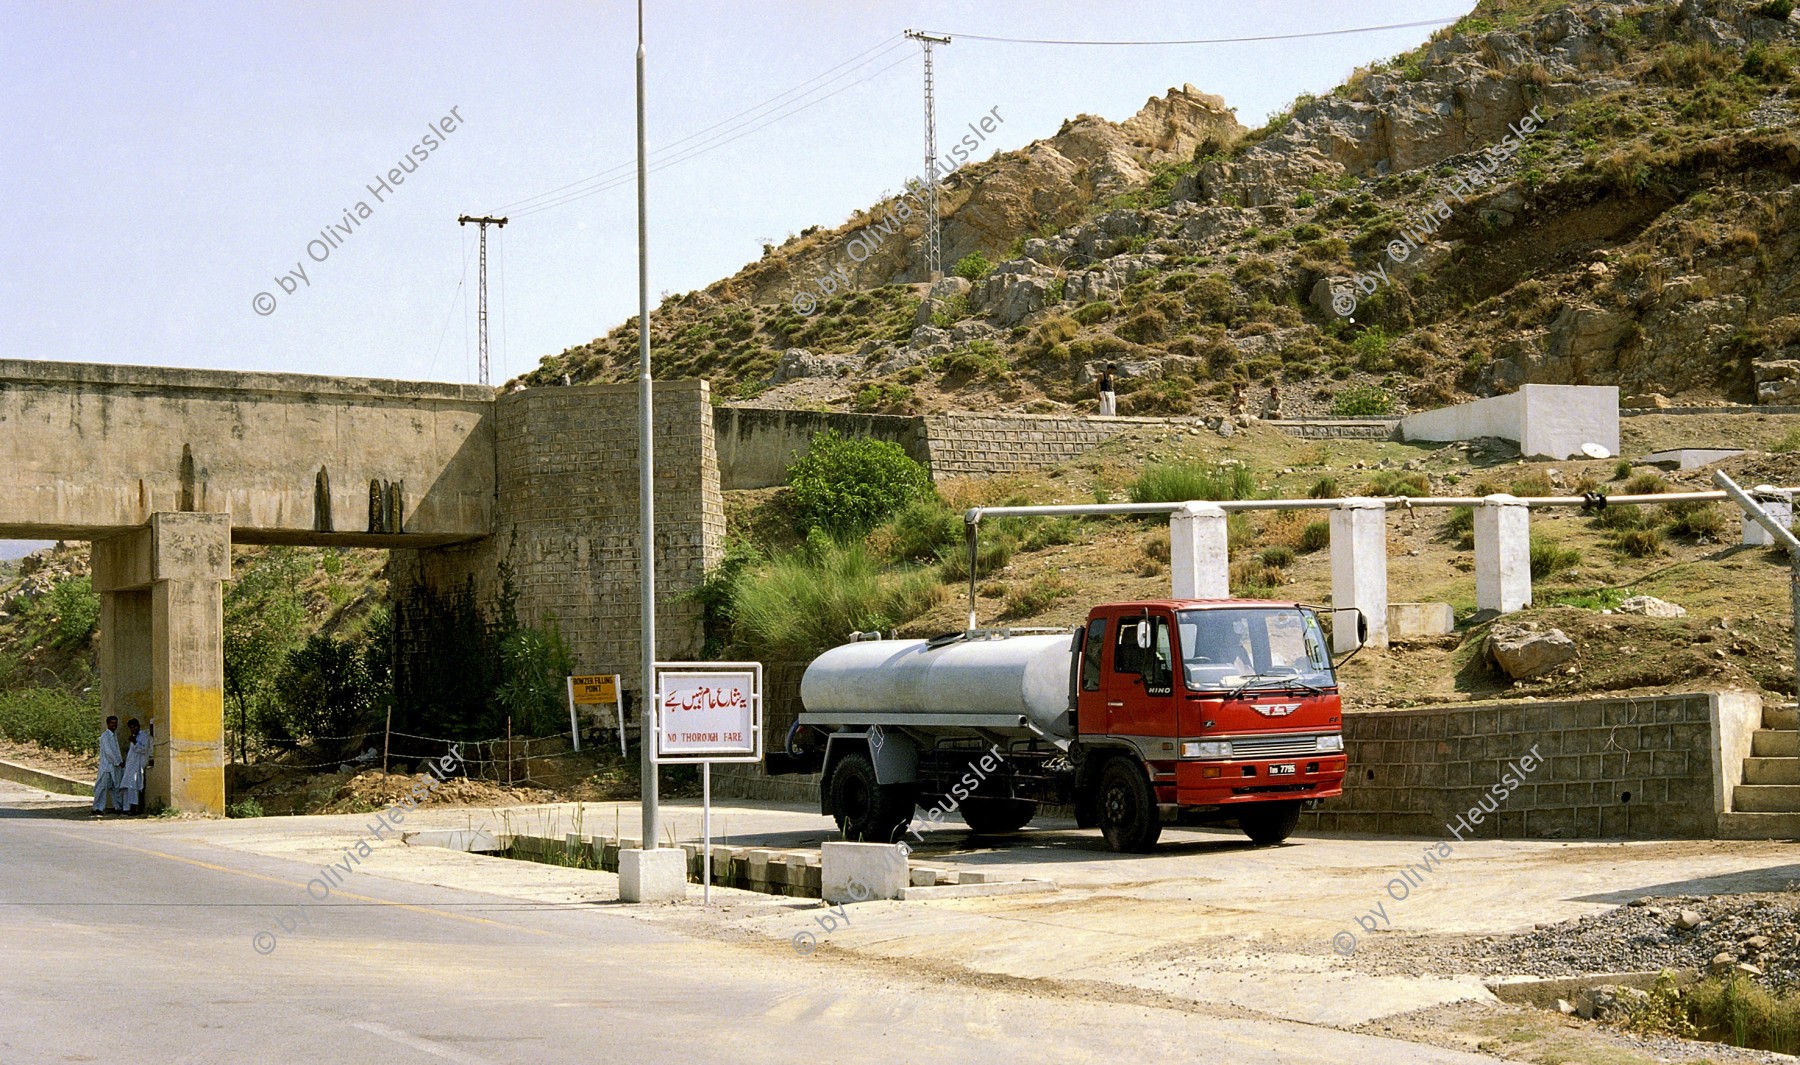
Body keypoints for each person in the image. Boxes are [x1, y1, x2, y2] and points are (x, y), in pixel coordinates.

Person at [121, 719, 152, 815]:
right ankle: (126, 808)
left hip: (138, 766)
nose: (133, 729)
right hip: (130, 765)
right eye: (131, 728)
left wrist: (135, 742)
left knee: (134, 786)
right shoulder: (133, 736)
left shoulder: (143, 736)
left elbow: (143, 749)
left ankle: (135, 808)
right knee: (126, 786)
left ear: (138, 726)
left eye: (135, 727)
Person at [93, 716, 123, 816]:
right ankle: (97, 807)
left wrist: (118, 762)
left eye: (115, 723)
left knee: (115, 788)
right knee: (102, 788)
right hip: (107, 767)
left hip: (114, 767)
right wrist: (118, 762)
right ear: (107, 724)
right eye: (112, 723)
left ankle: (118, 807)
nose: (114, 725)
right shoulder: (105, 736)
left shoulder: (114, 736)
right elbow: (108, 752)